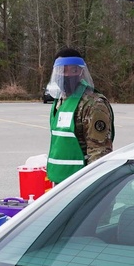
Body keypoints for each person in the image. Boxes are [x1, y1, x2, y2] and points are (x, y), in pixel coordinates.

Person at [45, 48, 114, 184]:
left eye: (72, 70)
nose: (66, 75)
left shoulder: (93, 104)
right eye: (62, 70)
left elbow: (99, 152)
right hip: (59, 182)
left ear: (80, 72)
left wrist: (90, 185)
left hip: (81, 183)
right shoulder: (59, 101)